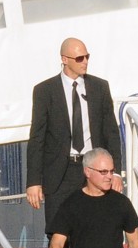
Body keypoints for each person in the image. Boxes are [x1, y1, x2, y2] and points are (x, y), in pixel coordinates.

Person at [26, 36, 123, 232]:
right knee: (59, 232)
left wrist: (115, 173)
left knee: (97, 228)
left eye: (87, 57)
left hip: (93, 169)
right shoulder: (44, 91)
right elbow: (37, 138)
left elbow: (111, 133)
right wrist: (34, 181)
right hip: (59, 173)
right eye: (79, 58)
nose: (85, 61)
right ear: (64, 59)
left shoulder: (100, 87)